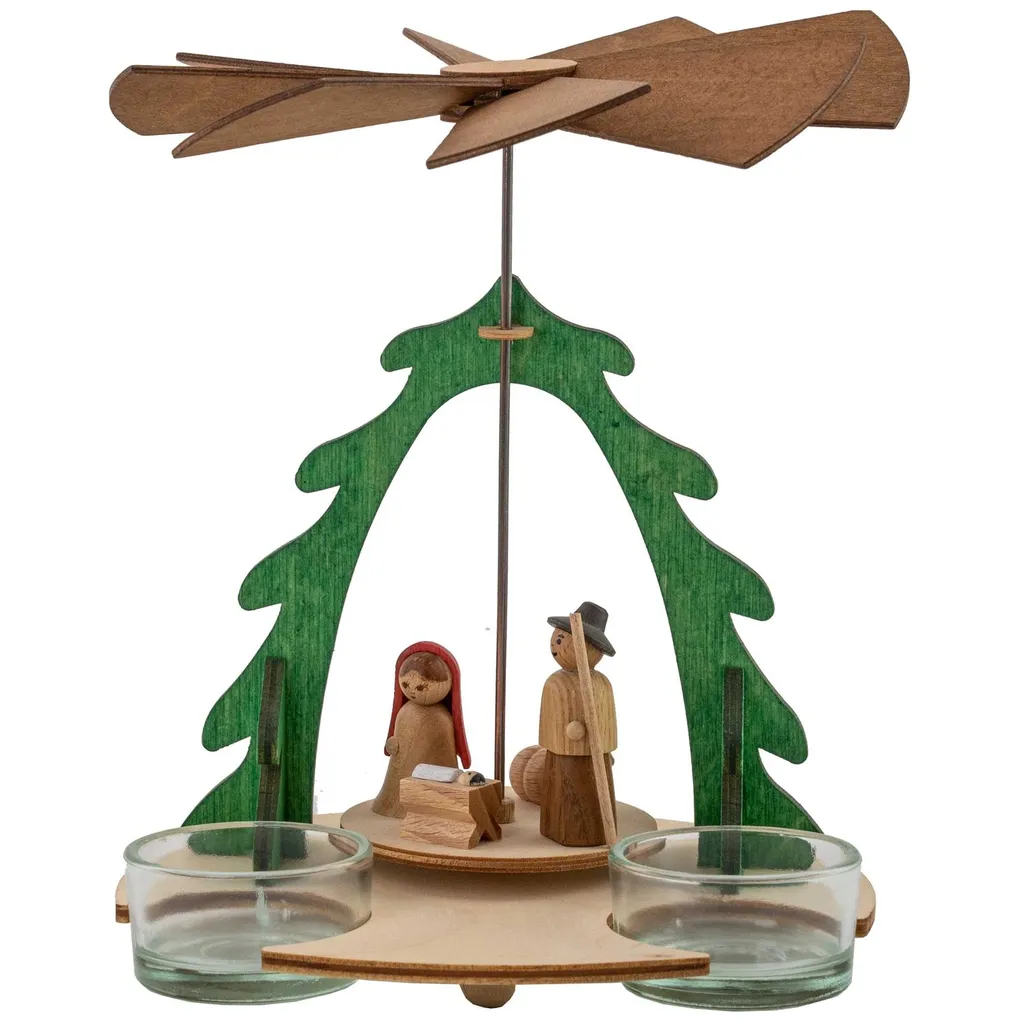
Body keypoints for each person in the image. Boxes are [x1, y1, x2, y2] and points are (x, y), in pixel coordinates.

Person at [538, 601, 618, 846]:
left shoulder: (601, 684)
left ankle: (596, 833)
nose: (556, 647)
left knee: (592, 802)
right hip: (561, 755)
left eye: (563, 640)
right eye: (556, 640)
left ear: (592, 649)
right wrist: (567, 733)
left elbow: (607, 721)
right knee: (561, 797)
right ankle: (555, 829)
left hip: (595, 756)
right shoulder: (555, 684)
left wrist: (604, 745)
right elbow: (548, 724)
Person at [372, 641, 471, 817]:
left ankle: (430, 808)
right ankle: (393, 804)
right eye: (406, 685)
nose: (412, 691)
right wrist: (393, 744)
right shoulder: (404, 712)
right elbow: (397, 741)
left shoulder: (441, 718)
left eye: (420, 687)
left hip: (435, 788)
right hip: (401, 779)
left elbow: (444, 752)